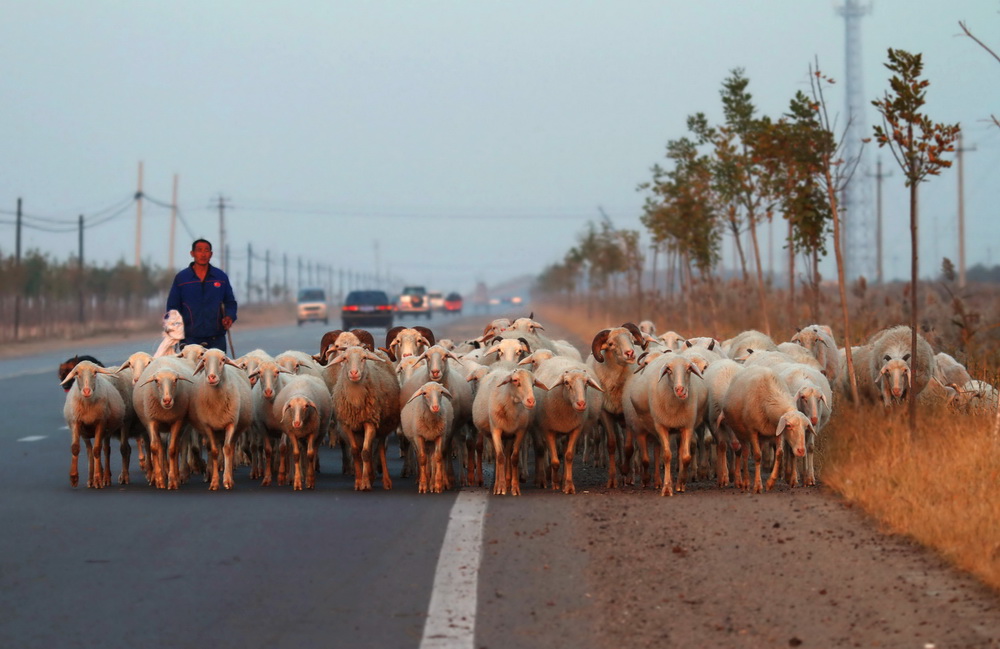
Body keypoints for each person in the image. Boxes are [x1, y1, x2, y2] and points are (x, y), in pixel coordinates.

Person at [166, 238, 237, 352]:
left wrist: (229, 316)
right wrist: (173, 329)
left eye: (206, 250)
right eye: (199, 250)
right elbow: (173, 307)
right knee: (191, 369)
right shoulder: (182, 278)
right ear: (192, 253)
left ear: (211, 254)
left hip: (216, 337)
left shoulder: (220, 277)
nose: (203, 254)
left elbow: (230, 302)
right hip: (189, 338)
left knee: (216, 369)